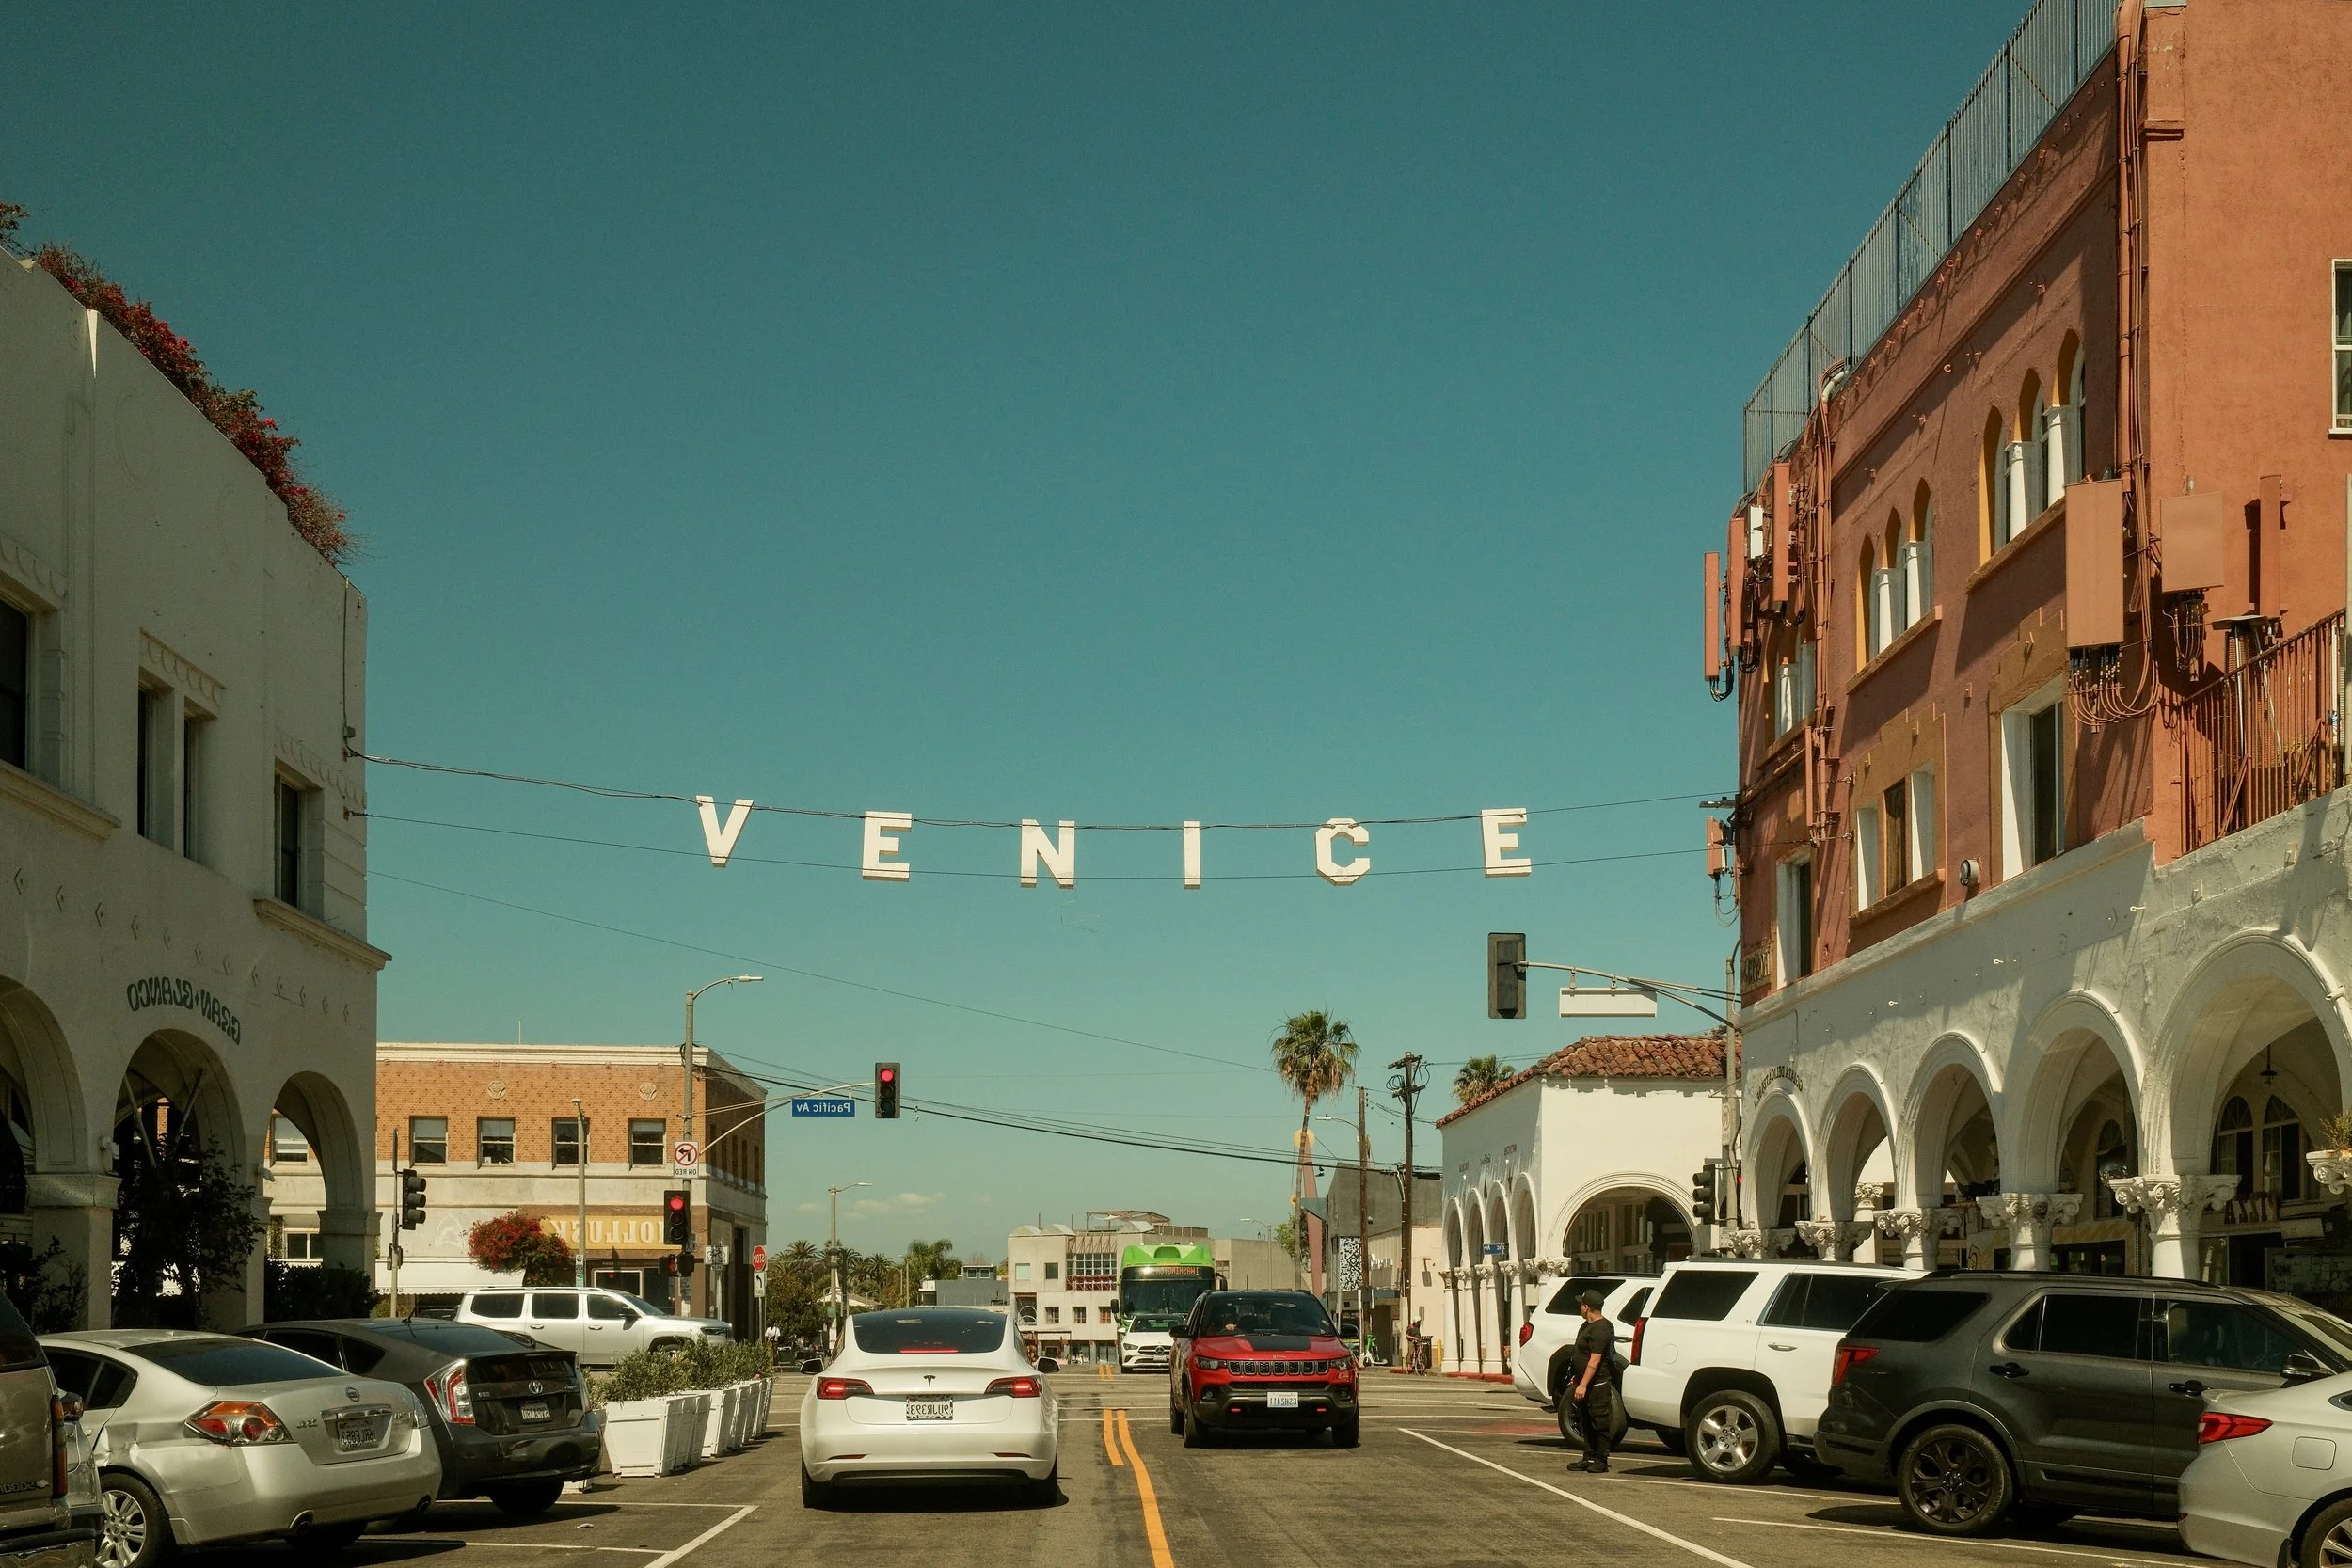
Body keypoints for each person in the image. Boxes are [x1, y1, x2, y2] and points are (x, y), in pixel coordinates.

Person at [1568, 1289, 1617, 1474]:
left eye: (1581, 1304)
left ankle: (1601, 1459)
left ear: (1587, 1307)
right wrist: (1577, 1377)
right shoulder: (1586, 1326)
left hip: (1597, 1384)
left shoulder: (1601, 1329)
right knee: (1585, 1421)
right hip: (1583, 1381)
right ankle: (1588, 1456)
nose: (1580, 1307)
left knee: (1599, 1421)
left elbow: (1594, 1361)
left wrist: (1583, 1384)